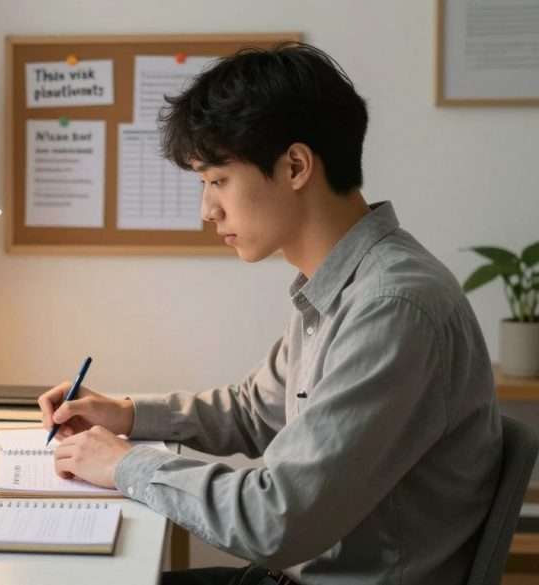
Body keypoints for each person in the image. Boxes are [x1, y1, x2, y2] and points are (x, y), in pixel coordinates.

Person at [38, 43, 501, 585]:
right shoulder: (339, 287)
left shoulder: (391, 307)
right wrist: (124, 413)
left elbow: (275, 519)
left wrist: (123, 464)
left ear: (295, 166)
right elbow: (256, 412)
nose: (207, 211)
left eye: (217, 181)